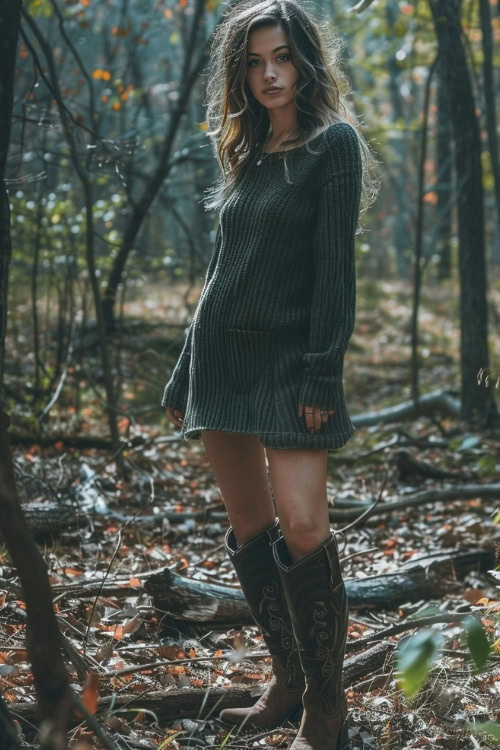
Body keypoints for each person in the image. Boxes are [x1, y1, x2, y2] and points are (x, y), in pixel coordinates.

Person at [162, 2, 379, 748]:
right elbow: (224, 272)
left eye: (281, 57)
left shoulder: (335, 147)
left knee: (304, 524)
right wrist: (188, 367)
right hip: (221, 360)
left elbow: (335, 278)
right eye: (254, 62)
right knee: (251, 527)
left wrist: (322, 375)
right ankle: (287, 680)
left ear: (307, 61)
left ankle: (327, 703)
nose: (269, 75)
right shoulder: (249, 152)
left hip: (291, 364)